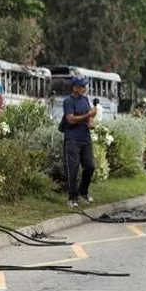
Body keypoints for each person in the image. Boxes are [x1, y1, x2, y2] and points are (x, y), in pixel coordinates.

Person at [61, 76, 97, 207]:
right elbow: (70, 119)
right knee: (73, 169)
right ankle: (72, 198)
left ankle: (83, 191)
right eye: (82, 86)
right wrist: (88, 115)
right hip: (72, 139)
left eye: (85, 86)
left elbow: (89, 116)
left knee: (90, 166)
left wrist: (90, 121)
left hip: (85, 138)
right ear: (75, 88)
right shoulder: (68, 102)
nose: (85, 89)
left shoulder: (85, 99)